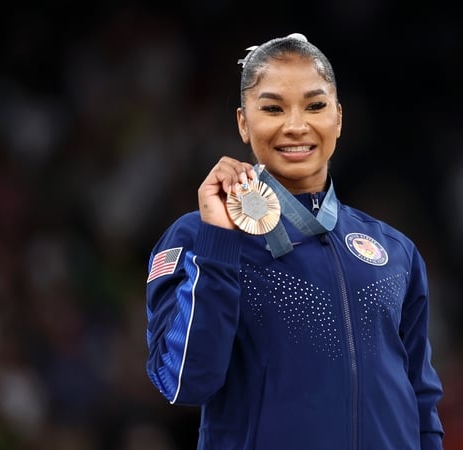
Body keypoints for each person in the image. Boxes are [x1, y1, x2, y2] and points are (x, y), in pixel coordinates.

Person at [145, 32, 445, 450]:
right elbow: (184, 382)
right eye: (272, 108)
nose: (296, 125)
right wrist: (218, 242)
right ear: (243, 123)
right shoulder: (200, 236)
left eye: (315, 105)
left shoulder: (394, 251)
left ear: (338, 118)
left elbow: (421, 401)